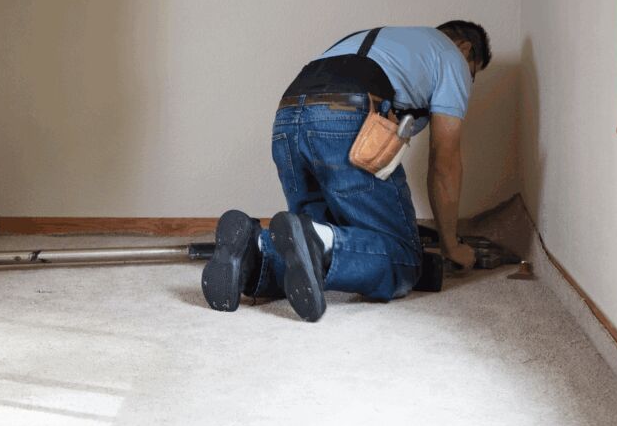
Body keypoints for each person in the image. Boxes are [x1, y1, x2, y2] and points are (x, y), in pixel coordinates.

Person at [201, 21, 491, 322]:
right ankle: (319, 239)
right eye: (473, 73)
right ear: (465, 48)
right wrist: (451, 245)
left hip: (288, 119)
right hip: (343, 121)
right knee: (403, 258)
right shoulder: (452, 57)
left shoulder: (387, 41)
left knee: (318, 247)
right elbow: (445, 160)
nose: (467, 83)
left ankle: (255, 250)